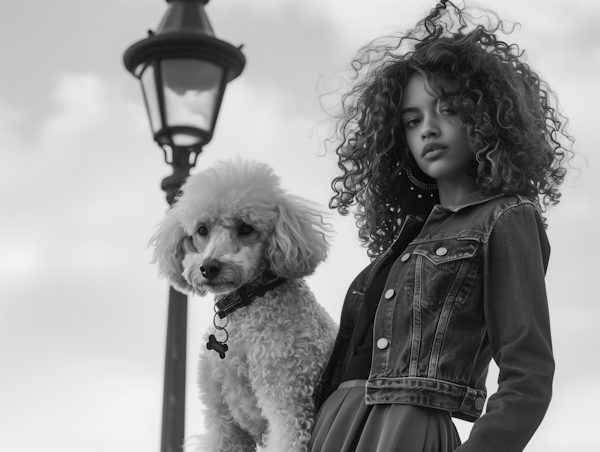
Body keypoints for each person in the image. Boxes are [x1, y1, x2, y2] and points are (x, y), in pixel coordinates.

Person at [309, 1, 573, 451]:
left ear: (486, 117)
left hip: (405, 431)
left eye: (447, 109)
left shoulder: (506, 218)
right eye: (413, 121)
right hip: (332, 428)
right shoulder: (409, 238)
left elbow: (528, 374)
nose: (428, 129)